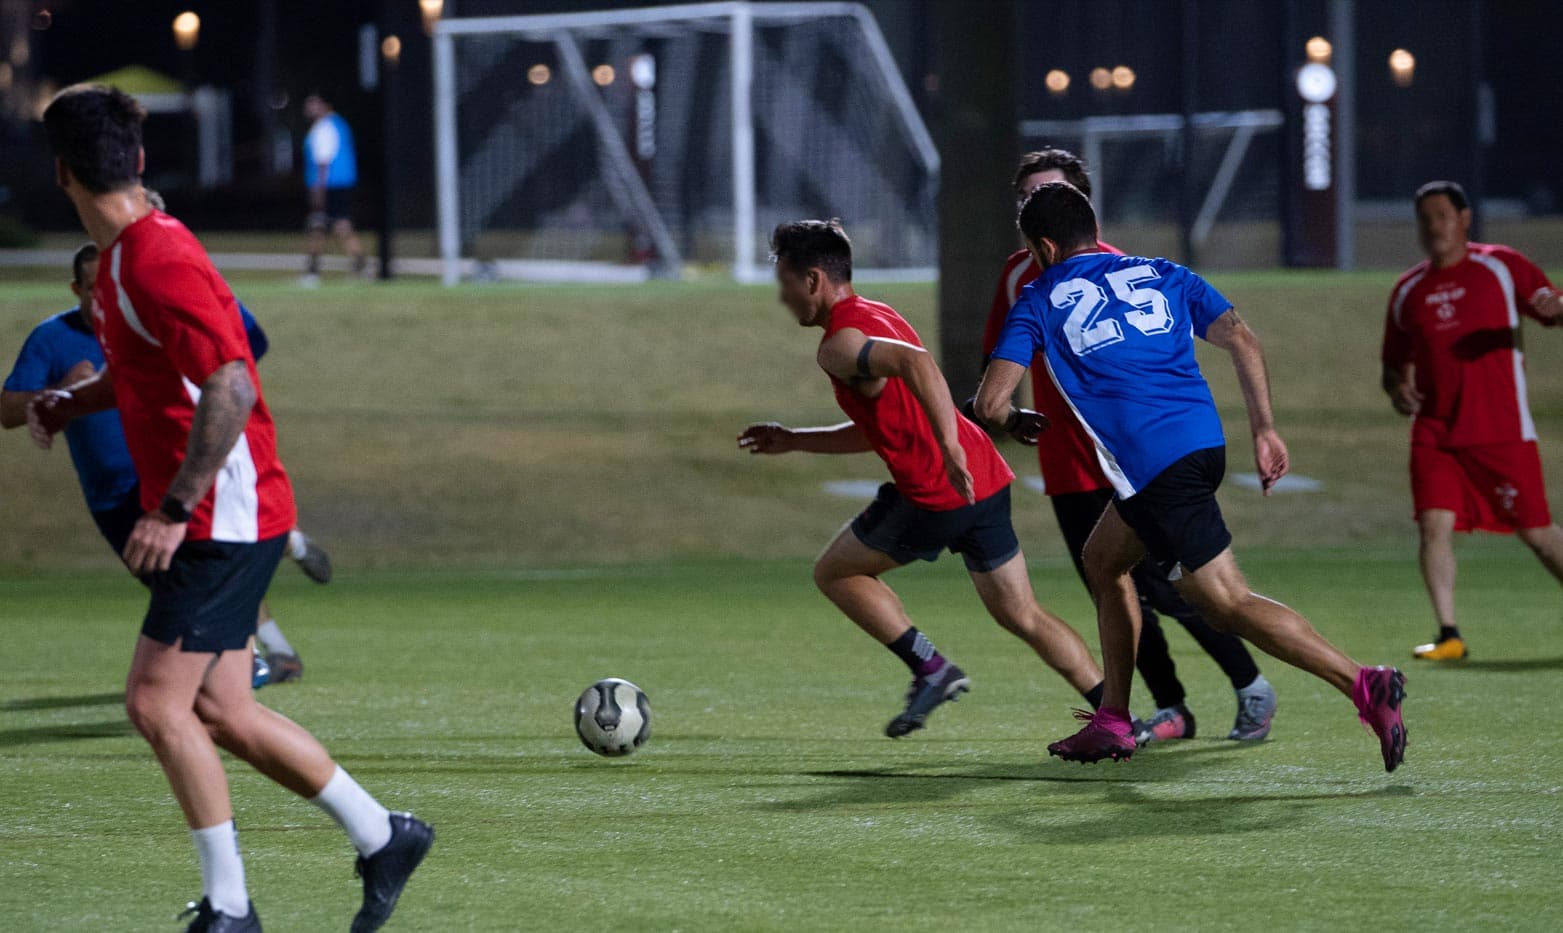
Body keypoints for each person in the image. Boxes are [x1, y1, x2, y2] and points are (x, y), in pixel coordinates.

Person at [34, 84, 430, 932]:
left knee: (155, 703)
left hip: (223, 515)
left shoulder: (155, 257)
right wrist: (71, 403)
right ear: (139, 159)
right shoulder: (121, 260)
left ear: (61, 172)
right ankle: (382, 834)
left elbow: (232, 382)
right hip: (222, 511)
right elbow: (146, 374)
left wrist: (173, 507)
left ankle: (229, 907)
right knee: (221, 708)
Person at [976, 182, 1407, 771]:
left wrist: (1015, 419)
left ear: (1045, 247)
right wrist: (1265, 429)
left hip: (1156, 466)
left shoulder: (1037, 297)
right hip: (1198, 446)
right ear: (1093, 231)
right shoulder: (1162, 272)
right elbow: (1242, 338)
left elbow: (990, 403)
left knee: (1225, 603)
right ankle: (1113, 719)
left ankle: (1363, 683)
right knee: (1103, 561)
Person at [739, 218, 1105, 739]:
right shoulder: (878, 314)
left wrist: (948, 447)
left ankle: (931, 668)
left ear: (814, 280)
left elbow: (917, 364)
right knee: (1022, 613)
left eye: (786, 283)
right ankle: (1116, 713)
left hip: (937, 491)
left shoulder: (838, 345)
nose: (783, 297)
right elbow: (884, 427)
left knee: (836, 573)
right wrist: (796, 439)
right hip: (984, 481)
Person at [980, 149, 1276, 745]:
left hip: (1132, 454)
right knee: (1110, 582)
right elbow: (999, 361)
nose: (1035, 202)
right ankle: (1168, 708)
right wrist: (1014, 417)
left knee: (1177, 585)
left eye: (1048, 190)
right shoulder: (1019, 277)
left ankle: (1250, 684)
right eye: (1026, 195)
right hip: (1068, 456)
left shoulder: (1113, 266)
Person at [1, 243, 333, 685]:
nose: (104, 296)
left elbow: (248, 344)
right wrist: (62, 390)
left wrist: (209, 381)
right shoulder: (53, 337)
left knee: (197, 575)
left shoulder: (159, 314)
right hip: (112, 491)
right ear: (76, 289)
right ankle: (278, 621)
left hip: (174, 473)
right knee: (177, 575)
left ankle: (244, 661)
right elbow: (7, 410)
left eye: (111, 286)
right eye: (94, 288)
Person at [1381, 180, 1563, 661]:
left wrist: (1559, 308)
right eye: (1425, 219)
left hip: (1500, 428)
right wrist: (1397, 389)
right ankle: (1449, 635)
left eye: (1442, 216)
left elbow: (1553, 309)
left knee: (1538, 534)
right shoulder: (1408, 290)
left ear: (1464, 219)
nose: (1433, 227)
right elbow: (1392, 366)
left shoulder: (1501, 265)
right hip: (1435, 432)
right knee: (1432, 527)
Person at [300, 93, 364, 286]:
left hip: (329, 185)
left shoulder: (323, 128)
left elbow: (323, 161)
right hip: (341, 183)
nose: (309, 109)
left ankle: (312, 272)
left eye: (313, 105)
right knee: (339, 224)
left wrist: (318, 190)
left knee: (318, 224)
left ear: (324, 105)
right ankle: (358, 263)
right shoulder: (338, 124)